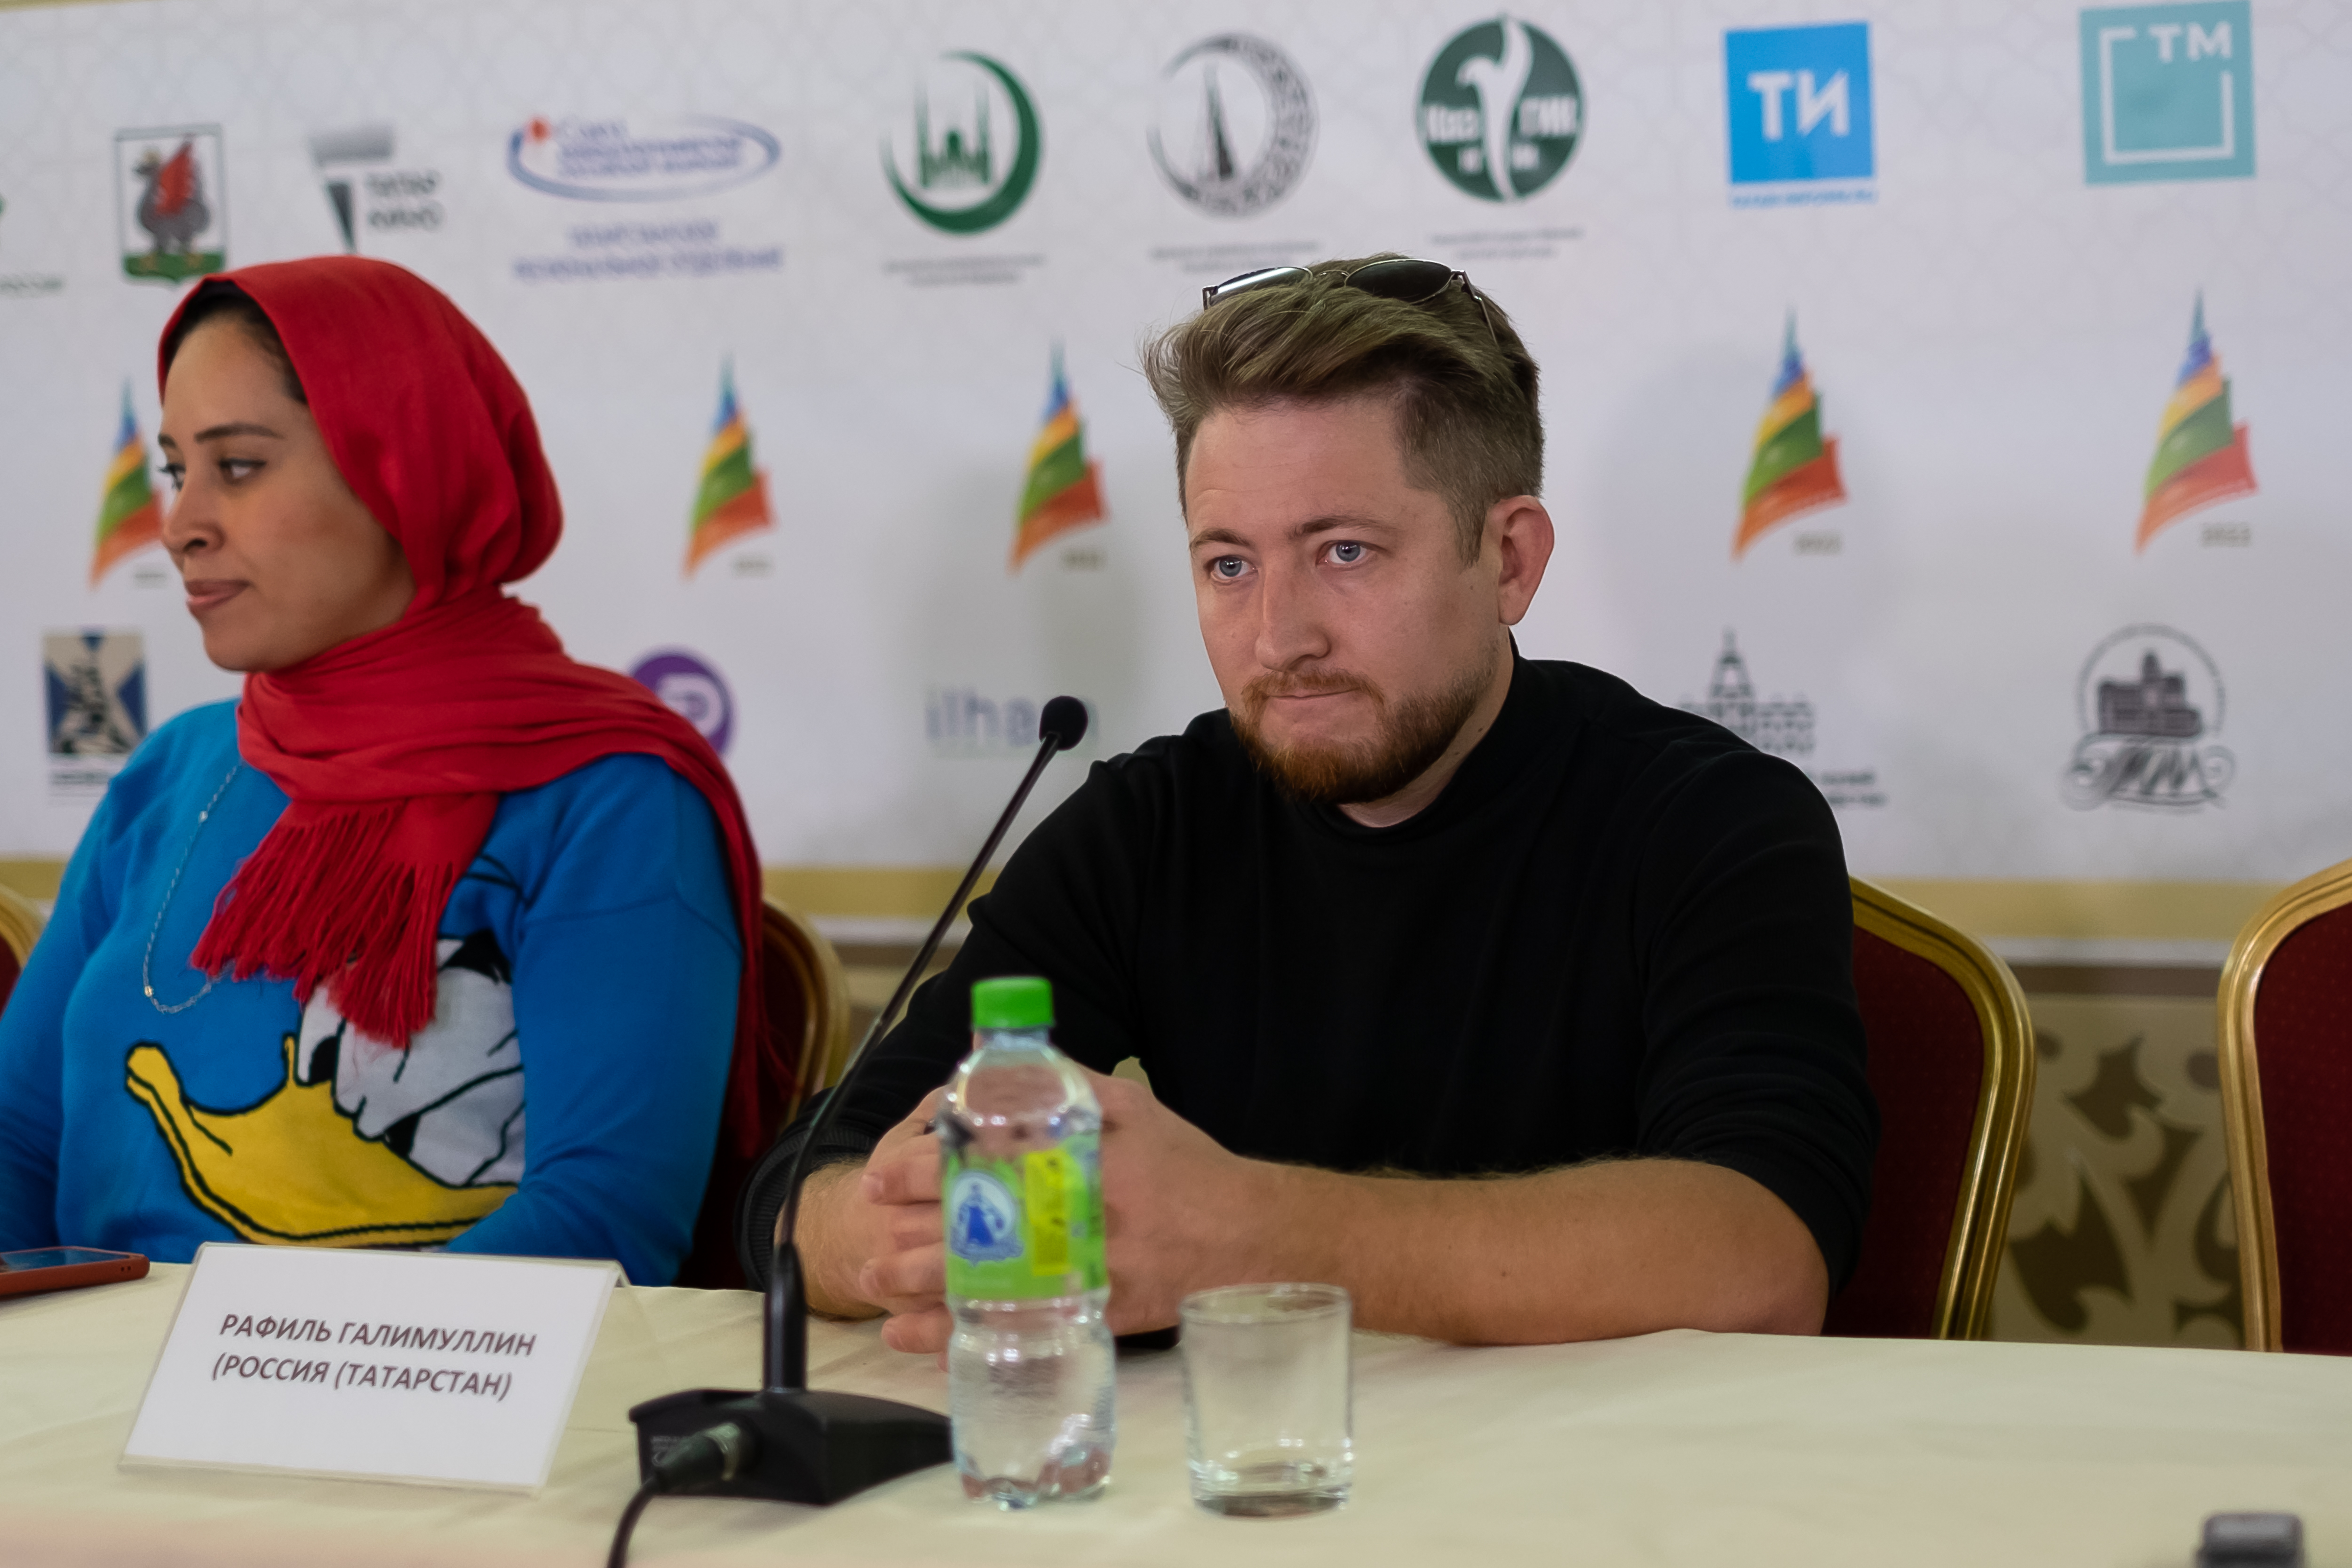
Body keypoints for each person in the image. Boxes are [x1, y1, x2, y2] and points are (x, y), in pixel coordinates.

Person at [739, 255, 1878, 1347]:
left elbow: (1765, 1256)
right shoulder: (1144, 830)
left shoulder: (1711, 819)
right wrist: (903, 1240)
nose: (1279, 636)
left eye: (1343, 552)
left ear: (1509, 560)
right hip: (1247, 1458)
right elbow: (803, 1192)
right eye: (1229, 564)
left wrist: (1253, 1235)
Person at [0, 257, 790, 1285]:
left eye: (237, 466)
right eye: (174, 469)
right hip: (90, 1376)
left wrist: (250, 1361)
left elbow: (603, 1218)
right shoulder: (171, 769)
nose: (180, 522)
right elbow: (17, 1137)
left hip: (408, 1380)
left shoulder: (615, 794)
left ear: (400, 472)